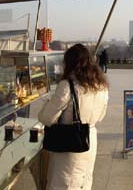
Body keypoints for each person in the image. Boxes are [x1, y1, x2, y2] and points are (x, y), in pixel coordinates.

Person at [38, 44, 109, 190]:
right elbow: (101, 116)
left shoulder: (67, 86)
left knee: (65, 183)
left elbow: (46, 118)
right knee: (84, 182)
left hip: (70, 143)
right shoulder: (101, 86)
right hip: (90, 140)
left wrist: (48, 102)